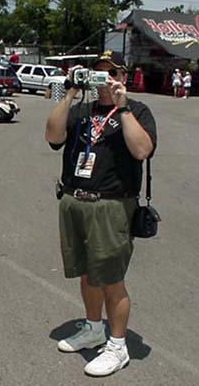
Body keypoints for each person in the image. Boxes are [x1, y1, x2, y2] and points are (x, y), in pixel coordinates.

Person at [45, 50, 157, 377]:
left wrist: (122, 107)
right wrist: (69, 91)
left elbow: (141, 150)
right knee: (86, 272)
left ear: (124, 77)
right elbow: (53, 136)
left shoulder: (137, 111)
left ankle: (118, 346)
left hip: (111, 205)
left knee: (110, 278)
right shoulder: (81, 110)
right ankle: (94, 327)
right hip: (74, 200)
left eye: (112, 73)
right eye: (98, 73)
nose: (105, 80)